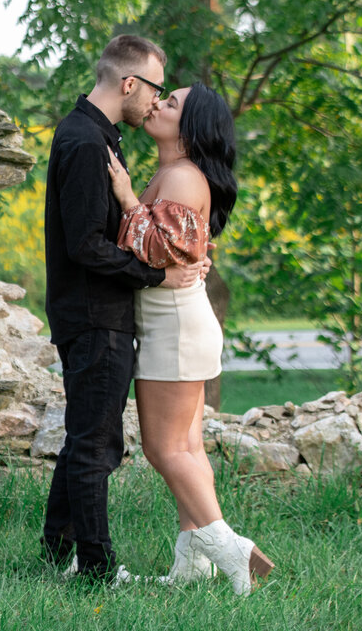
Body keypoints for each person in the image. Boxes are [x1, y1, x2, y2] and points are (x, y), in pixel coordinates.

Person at [41, 35, 206, 583]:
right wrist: (158, 275)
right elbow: (86, 245)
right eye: (154, 89)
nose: (155, 103)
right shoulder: (88, 142)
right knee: (97, 445)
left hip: (91, 311)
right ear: (129, 83)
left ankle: (56, 552)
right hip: (94, 314)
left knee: (83, 437)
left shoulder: (91, 133)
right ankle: (96, 566)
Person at [106, 81, 274, 596]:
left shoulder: (182, 176)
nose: (156, 103)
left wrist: (127, 198)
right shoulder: (174, 172)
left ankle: (233, 551)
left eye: (171, 102)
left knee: (162, 447)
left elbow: (159, 252)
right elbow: (184, 248)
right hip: (177, 322)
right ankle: (191, 564)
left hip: (174, 327)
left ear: (191, 127)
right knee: (188, 446)